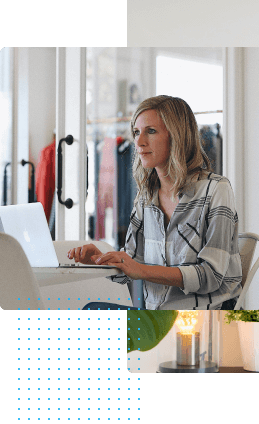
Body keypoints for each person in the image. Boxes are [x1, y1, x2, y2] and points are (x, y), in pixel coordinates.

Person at [69, 95, 243, 310]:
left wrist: (140, 270)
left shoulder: (216, 189)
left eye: (151, 131)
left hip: (205, 317)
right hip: (158, 316)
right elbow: (131, 261)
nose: (140, 142)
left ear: (177, 136)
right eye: (136, 132)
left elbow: (211, 276)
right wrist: (99, 260)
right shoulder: (146, 197)